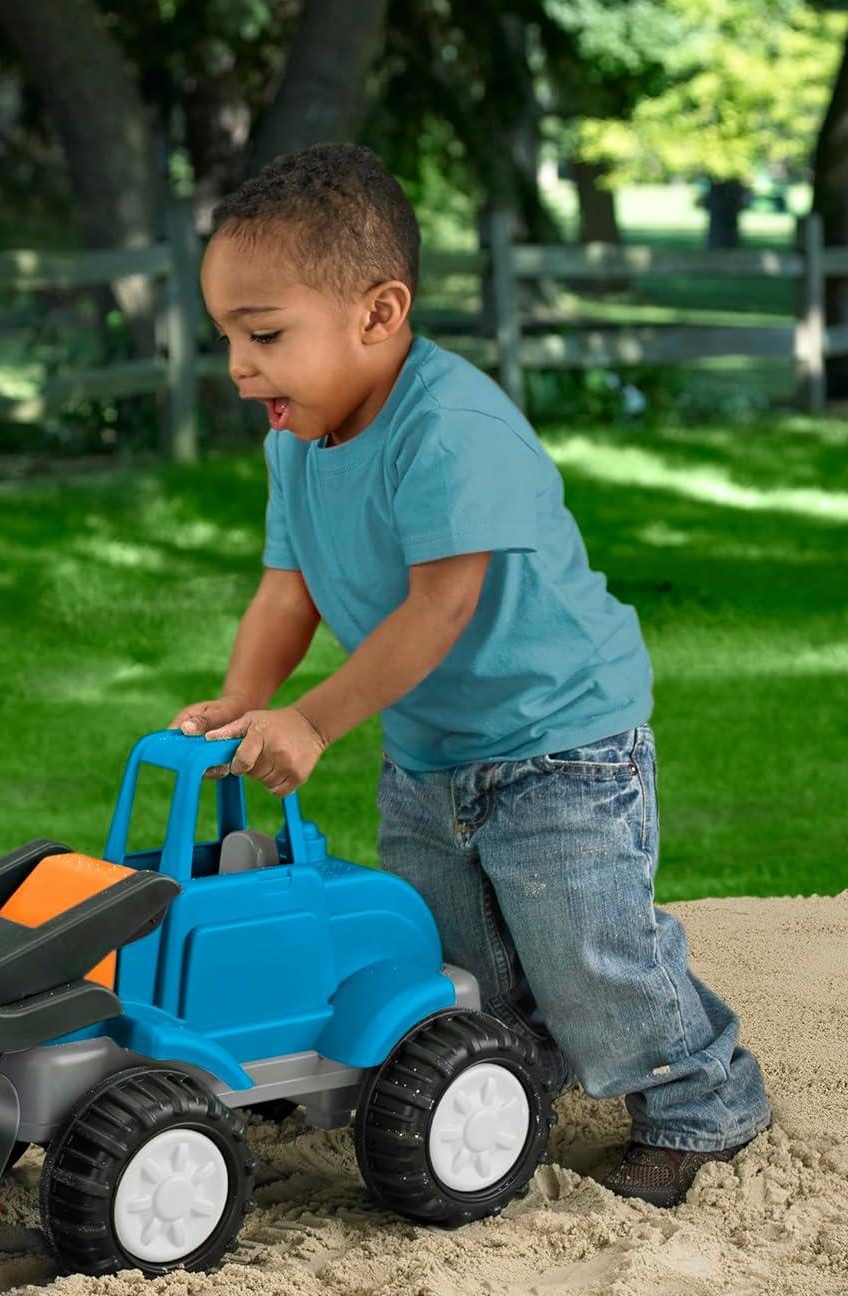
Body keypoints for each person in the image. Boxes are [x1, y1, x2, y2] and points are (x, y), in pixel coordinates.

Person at [170, 142, 771, 1208]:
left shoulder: (449, 428)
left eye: (264, 335)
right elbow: (286, 591)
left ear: (378, 312)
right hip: (433, 756)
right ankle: (511, 1080)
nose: (238, 367)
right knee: (453, 962)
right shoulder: (294, 444)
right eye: (227, 337)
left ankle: (702, 1100)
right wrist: (249, 699)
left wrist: (312, 720)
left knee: (588, 952)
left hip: (561, 744)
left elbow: (437, 610)